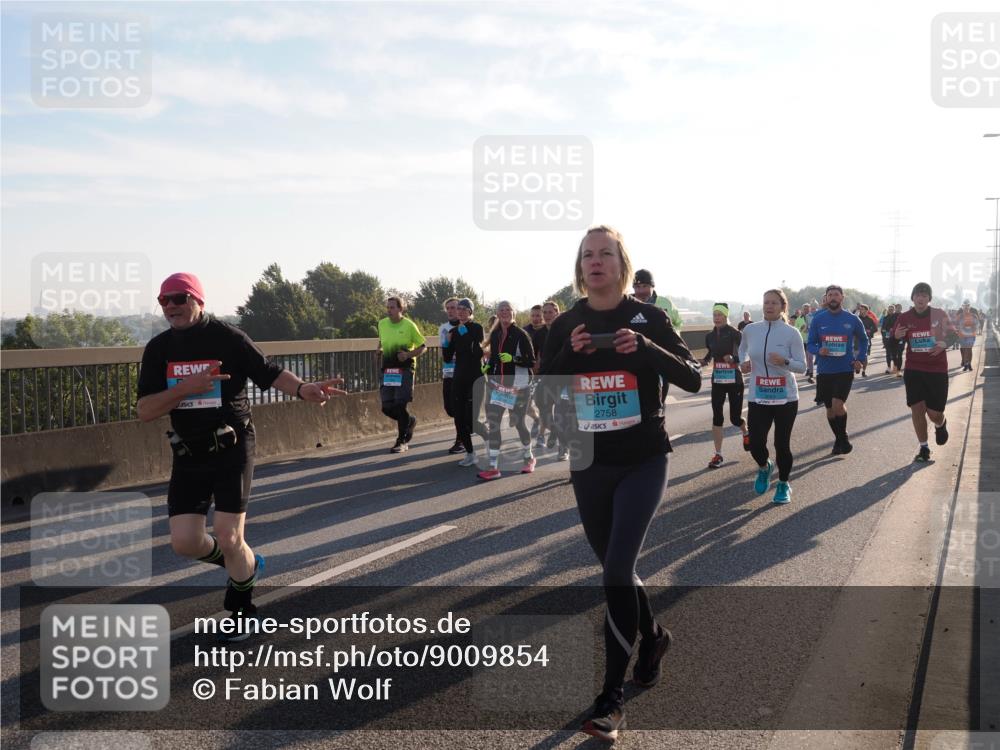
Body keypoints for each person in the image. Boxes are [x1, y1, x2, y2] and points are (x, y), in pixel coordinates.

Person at [540, 225, 702, 741]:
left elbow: (693, 377)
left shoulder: (649, 317)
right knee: (616, 570)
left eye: (605, 253)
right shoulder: (565, 323)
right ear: (580, 265)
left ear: (621, 263)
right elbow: (544, 391)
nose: (595, 261)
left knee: (615, 571)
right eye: (587, 254)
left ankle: (611, 699)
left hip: (643, 457)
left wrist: (647, 347)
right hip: (588, 459)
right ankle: (652, 636)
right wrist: (570, 355)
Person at [137, 273, 345, 641]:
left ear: (198, 300)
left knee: (228, 535)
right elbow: (145, 410)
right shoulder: (158, 349)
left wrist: (303, 389)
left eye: (180, 298)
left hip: (231, 447)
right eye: (164, 300)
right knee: (184, 542)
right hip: (188, 452)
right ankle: (245, 566)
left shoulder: (227, 338)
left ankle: (242, 607)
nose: (171, 307)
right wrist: (188, 387)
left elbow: (269, 373)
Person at [738, 289, 807, 503]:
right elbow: (742, 351)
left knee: (781, 444)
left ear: (782, 307)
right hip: (759, 396)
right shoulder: (750, 330)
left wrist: (784, 361)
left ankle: (784, 484)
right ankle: (764, 466)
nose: (769, 306)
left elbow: (802, 367)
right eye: (766, 302)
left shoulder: (791, 333)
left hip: (785, 397)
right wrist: (744, 364)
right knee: (756, 443)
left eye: (774, 303)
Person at [893, 283, 957, 462]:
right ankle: (924, 448)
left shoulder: (939, 314)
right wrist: (896, 335)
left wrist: (943, 344)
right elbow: (894, 338)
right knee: (917, 409)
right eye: (917, 295)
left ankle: (940, 423)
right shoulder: (904, 317)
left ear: (929, 299)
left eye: (924, 295)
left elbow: (953, 335)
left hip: (936, 370)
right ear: (912, 298)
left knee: (933, 413)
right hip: (914, 369)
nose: (920, 298)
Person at [478, 301, 537, 480]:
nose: (504, 313)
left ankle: (529, 457)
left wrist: (514, 359)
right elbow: (495, 358)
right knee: (494, 423)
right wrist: (488, 367)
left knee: (518, 423)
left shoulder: (521, 334)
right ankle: (493, 467)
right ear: (497, 313)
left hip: (518, 387)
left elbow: (531, 361)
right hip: (499, 387)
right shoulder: (495, 334)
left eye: (508, 310)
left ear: (514, 313)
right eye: (501, 310)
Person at [807, 284, 868, 454]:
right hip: (825, 371)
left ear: (842, 297)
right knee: (829, 409)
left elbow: (864, 340)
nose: (833, 297)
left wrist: (860, 358)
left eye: (836, 294)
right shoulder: (818, 319)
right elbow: (811, 343)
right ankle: (839, 439)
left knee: (838, 404)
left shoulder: (852, 319)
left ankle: (843, 439)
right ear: (826, 298)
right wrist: (818, 350)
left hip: (845, 368)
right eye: (830, 295)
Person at [700, 303, 750, 468]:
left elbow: (746, 353)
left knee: (735, 418)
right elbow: (710, 353)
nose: (717, 318)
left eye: (720, 315)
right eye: (714, 315)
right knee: (717, 417)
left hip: (735, 380)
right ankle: (718, 454)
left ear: (726, 316)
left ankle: (745, 432)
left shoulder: (736, 334)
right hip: (718, 380)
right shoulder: (710, 336)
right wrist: (705, 361)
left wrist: (735, 359)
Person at [377, 296, 427, 454]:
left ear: (400, 309)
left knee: (400, 405)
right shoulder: (382, 323)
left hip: (405, 369)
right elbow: (382, 340)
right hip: (388, 369)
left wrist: (408, 355)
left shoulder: (409, 325)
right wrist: (379, 350)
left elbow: (423, 346)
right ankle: (409, 421)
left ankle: (402, 441)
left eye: (392, 307)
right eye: (388, 307)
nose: (389, 310)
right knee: (387, 407)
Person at [442, 298, 486, 466]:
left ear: (470, 311)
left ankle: (489, 437)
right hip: (458, 378)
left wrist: (461, 332)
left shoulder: (476, 328)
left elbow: (476, 352)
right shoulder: (453, 331)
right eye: (458, 308)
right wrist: (447, 341)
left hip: (475, 378)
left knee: (471, 421)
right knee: (459, 418)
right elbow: (447, 358)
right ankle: (470, 453)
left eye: (463, 308)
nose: (459, 311)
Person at [439, 298, 465, 454]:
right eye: (448, 308)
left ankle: (460, 439)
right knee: (450, 409)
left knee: (458, 407)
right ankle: (467, 427)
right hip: (448, 372)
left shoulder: (466, 327)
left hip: (462, 373)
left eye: (453, 307)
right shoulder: (443, 328)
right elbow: (445, 352)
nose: (450, 310)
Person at [856, 304, 879, 377]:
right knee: (856, 355)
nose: (861, 310)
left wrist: (870, 331)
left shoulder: (870, 319)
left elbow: (875, 329)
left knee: (865, 357)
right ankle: (857, 366)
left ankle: (864, 371)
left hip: (867, 340)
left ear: (867, 310)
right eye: (860, 309)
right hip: (857, 340)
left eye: (862, 309)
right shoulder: (856, 318)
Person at [956, 300, 979, 372]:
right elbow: (955, 324)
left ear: (969, 307)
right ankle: (965, 361)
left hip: (971, 335)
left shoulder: (973, 315)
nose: (966, 308)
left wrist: (972, 329)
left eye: (967, 306)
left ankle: (968, 364)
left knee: (968, 349)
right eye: (964, 306)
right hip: (962, 335)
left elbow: (977, 324)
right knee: (963, 349)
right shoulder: (959, 316)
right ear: (962, 307)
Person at [794, 303, 814, 382]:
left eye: (807, 308)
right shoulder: (799, 318)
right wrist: (801, 328)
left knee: (810, 357)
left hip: (811, 340)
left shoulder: (812, 317)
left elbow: (815, 327)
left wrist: (809, 328)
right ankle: (808, 369)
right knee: (806, 357)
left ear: (809, 309)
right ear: (802, 309)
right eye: (804, 308)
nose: (806, 310)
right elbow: (796, 329)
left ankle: (811, 374)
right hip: (803, 340)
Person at [881, 304, 901, 375]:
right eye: (889, 309)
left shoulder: (897, 317)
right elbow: (882, 328)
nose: (890, 311)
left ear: (894, 310)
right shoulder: (885, 318)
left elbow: (899, 326)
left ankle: (895, 367)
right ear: (887, 310)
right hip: (887, 338)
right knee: (888, 354)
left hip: (895, 338)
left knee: (895, 354)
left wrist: (893, 330)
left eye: (892, 309)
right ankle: (888, 367)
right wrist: (884, 336)